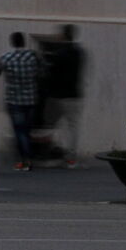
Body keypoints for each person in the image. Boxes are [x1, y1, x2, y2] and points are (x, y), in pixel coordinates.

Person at [0, 31, 42, 172]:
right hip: (31, 99)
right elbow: (41, 71)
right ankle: (28, 158)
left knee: (19, 131)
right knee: (27, 130)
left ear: (12, 43)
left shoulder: (6, 58)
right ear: (24, 42)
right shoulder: (32, 57)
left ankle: (24, 160)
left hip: (14, 100)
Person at [41, 25, 85, 167]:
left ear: (63, 36)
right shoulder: (79, 52)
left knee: (51, 124)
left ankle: (55, 152)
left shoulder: (59, 53)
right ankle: (71, 156)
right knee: (72, 126)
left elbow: (51, 73)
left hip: (58, 95)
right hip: (74, 94)